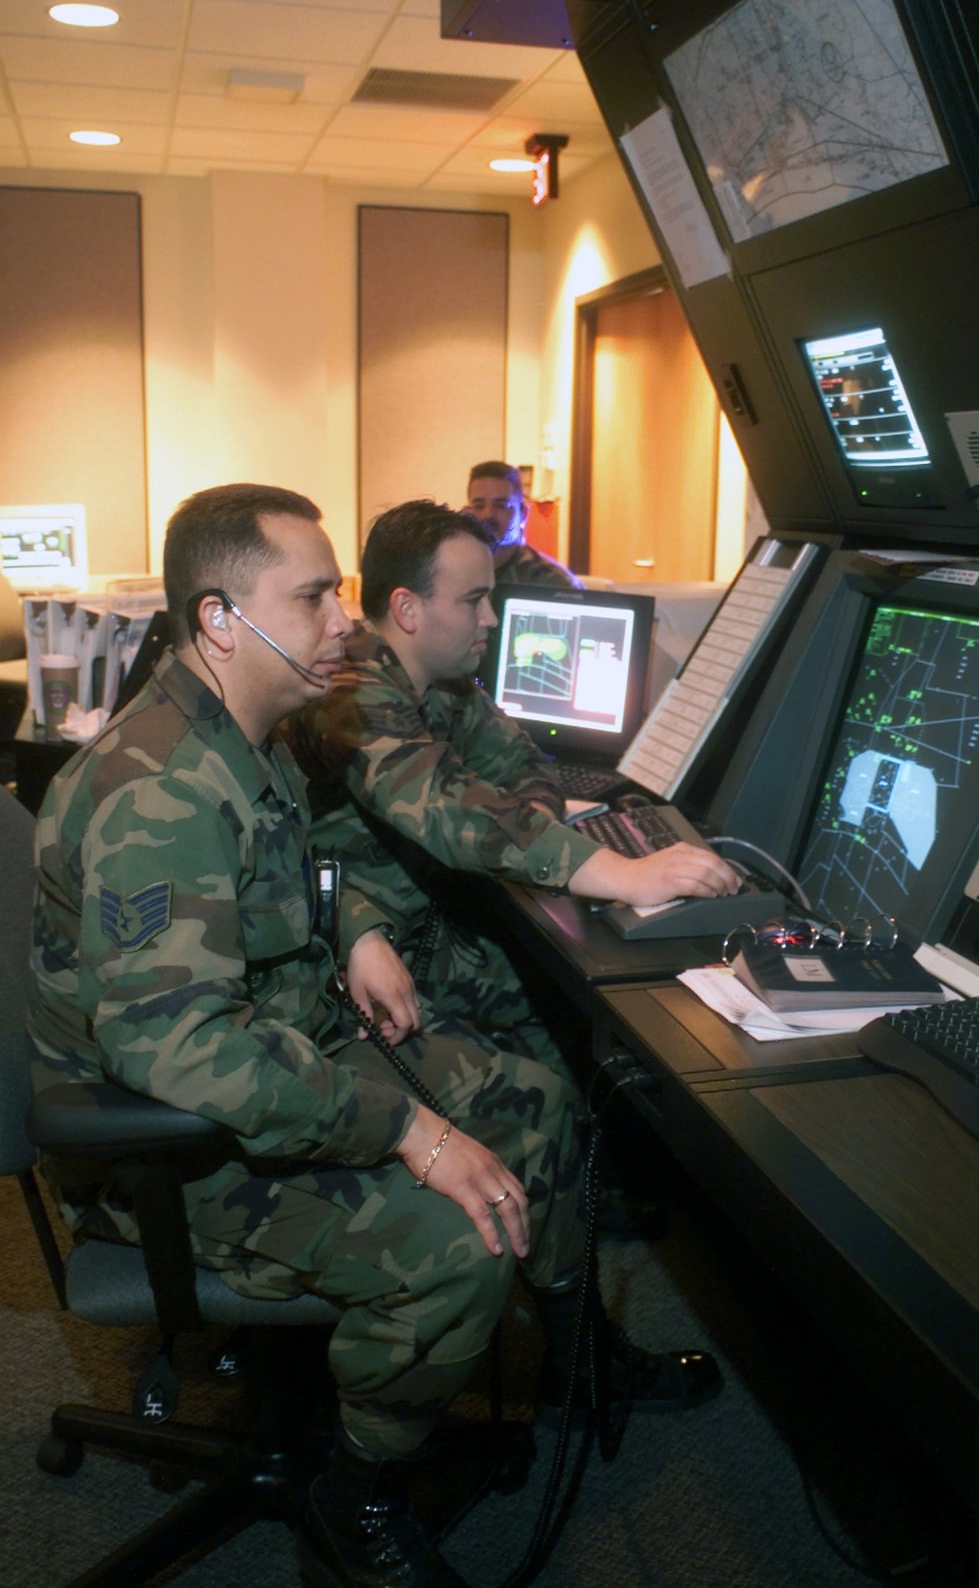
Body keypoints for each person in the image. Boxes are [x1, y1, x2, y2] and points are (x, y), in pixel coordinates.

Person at [27, 483, 721, 1588]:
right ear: (220, 619)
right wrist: (408, 1129)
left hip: (284, 1041)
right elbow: (175, 1051)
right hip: (167, 1142)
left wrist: (347, 925)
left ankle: (579, 1363)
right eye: (311, 598)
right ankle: (358, 1492)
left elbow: (291, 866)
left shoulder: (238, 734)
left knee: (539, 1108)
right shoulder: (155, 790)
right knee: (450, 1251)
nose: (343, 622)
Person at [287, 499, 739, 1070]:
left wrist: (528, 830)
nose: (491, 620)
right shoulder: (351, 688)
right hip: (365, 955)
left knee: (579, 1020)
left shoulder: (445, 685)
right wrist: (622, 872)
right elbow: (445, 807)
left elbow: (528, 765)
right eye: (473, 601)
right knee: (578, 1046)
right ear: (407, 608)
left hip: (429, 931)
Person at [464, 459, 582, 590]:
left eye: (501, 505)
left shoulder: (553, 583)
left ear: (523, 514)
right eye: (479, 505)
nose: (488, 514)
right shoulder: (454, 572)